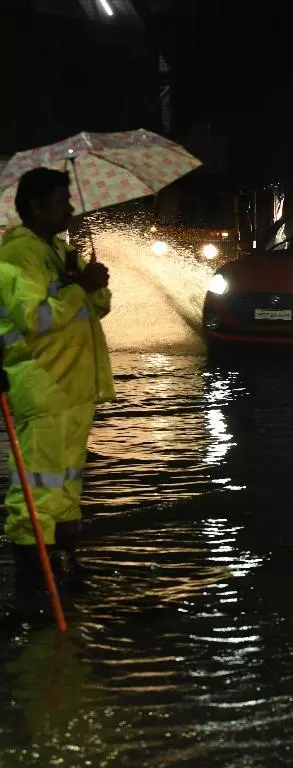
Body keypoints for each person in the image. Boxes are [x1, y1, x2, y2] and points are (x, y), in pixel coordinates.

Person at [0, 168, 113, 613]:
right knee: (38, 488)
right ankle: (34, 579)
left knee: (65, 487)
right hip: (43, 387)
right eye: (62, 200)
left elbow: (97, 308)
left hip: (73, 388)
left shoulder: (59, 251)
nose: (70, 207)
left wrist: (91, 282)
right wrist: (77, 288)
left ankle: (63, 566)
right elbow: (36, 320)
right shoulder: (15, 258)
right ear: (35, 206)